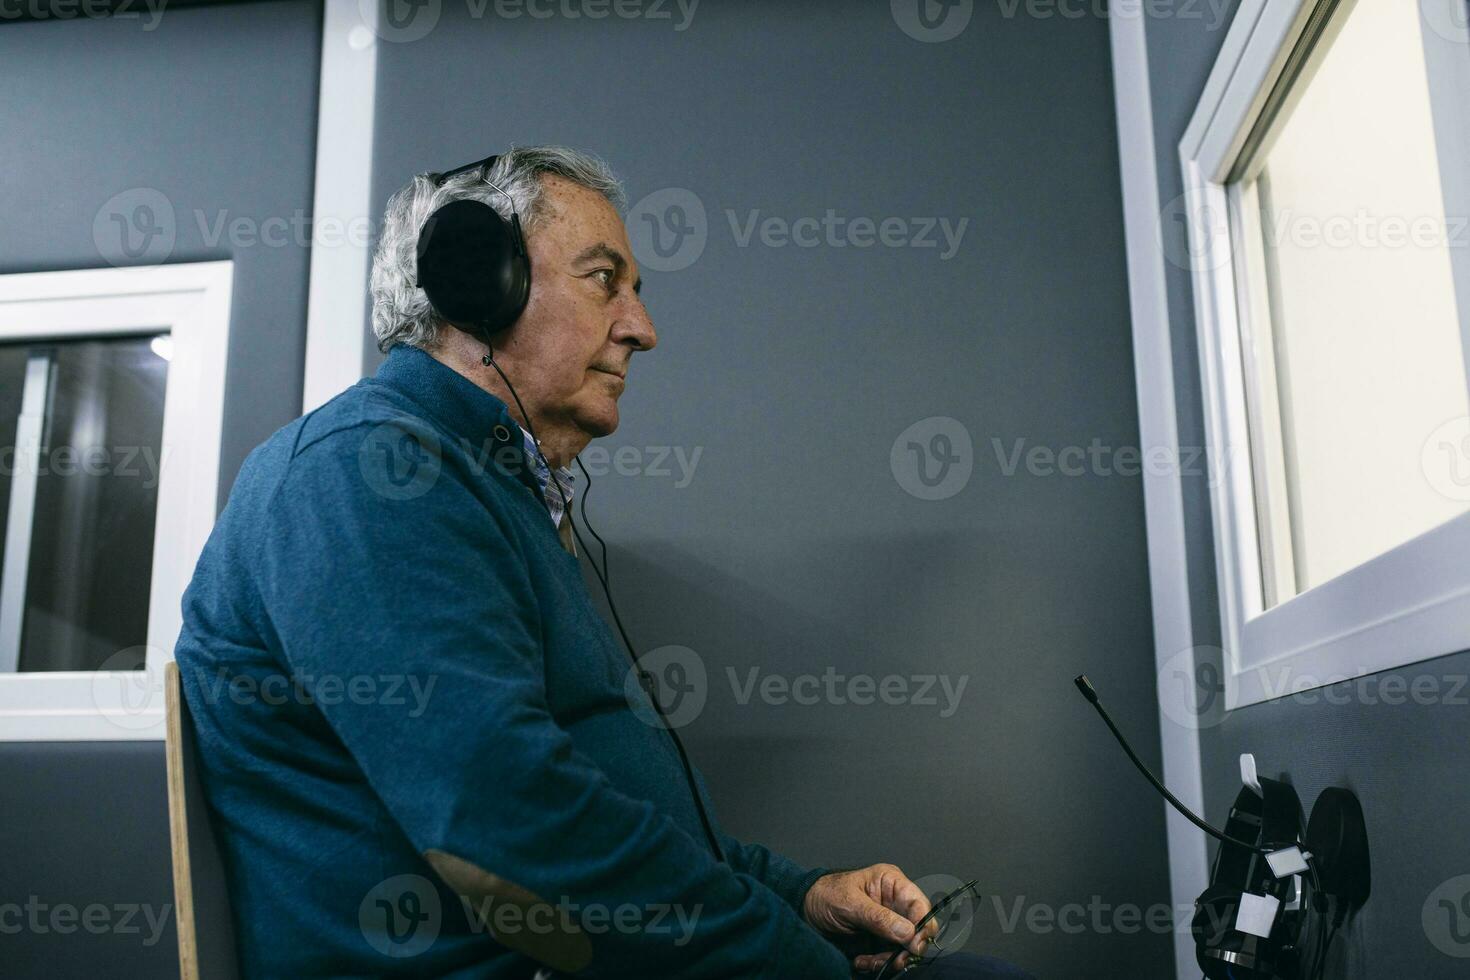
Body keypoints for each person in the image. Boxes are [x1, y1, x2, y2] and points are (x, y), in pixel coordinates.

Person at [173, 145, 1033, 979]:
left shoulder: (482, 487)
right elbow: (510, 822)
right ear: (479, 285)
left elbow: (613, 810)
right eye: (604, 280)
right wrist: (796, 963)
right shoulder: (366, 478)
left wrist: (801, 898)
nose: (643, 330)